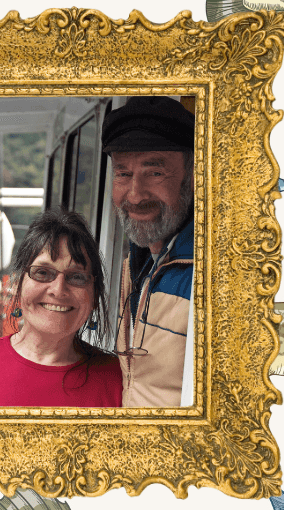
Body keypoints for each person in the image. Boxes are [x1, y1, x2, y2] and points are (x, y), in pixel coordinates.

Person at [0, 208, 121, 407]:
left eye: (77, 277)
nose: (58, 290)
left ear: (95, 295)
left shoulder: (118, 382)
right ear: (17, 283)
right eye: (43, 272)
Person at [103, 96, 195, 407]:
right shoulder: (140, 260)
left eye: (154, 172)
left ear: (193, 176)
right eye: (123, 173)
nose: (135, 194)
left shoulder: (209, 273)